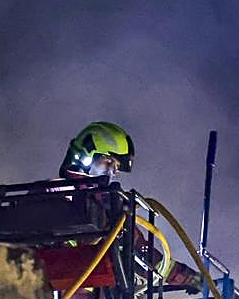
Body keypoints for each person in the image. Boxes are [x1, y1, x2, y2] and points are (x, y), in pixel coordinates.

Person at [56, 121, 200, 290]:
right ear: (86, 155)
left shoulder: (108, 203)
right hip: (71, 297)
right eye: (107, 162)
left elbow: (142, 254)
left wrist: (189, 278)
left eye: (115, 167)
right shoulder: (61, 193)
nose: (111, 173)